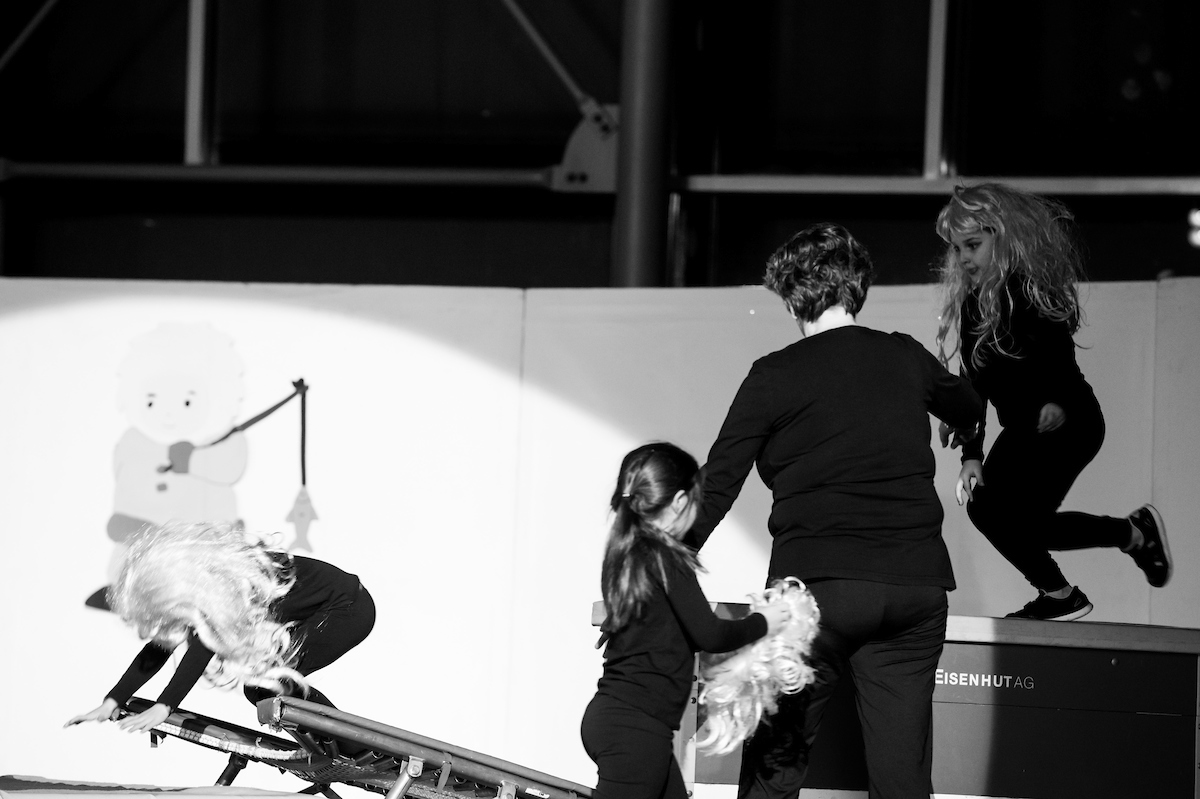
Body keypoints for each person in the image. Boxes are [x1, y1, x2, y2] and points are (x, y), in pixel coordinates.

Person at [684, 223, 983, 799]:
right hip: (914, 591)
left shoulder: (775, 373)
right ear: (858, 287)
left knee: (774, 770)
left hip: (815, 592)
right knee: (902, 780)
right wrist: (970, 443)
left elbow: (717, 486)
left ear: (792, 295)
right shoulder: (904, 355)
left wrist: (660, 567)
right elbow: (968, 404)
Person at [934, 182, 1170, 621]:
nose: (963, 258)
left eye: (973, 245)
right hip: (1024, 431)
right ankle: (1069, 586)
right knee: (990, 510)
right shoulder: (973, 308)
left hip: (1072, 422)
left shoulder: (1028, 290)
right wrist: (971, 453)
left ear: (1001, 240)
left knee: (1022, 521)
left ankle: (1125, 542)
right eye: (957, 248)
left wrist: (1057, 400)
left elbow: (1058, 353)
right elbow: (975, 385)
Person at [581, 443, 792, 799]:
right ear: (680, 501)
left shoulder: (628, 554)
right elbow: (710, 635)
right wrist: (765, 622)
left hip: (624, 722)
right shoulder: (666, 558)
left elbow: (673, 632)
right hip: (636, 729)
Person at [66, 521, 375, 734]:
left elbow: (203, 647)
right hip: (331, 608)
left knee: (267, 685)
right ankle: (335, 743)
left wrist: (165, 706)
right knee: (263, 687)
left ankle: (354, 744)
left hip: (348, 608)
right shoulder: (199, 590)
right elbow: (159, 649)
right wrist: (112, 701)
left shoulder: (222, 584)